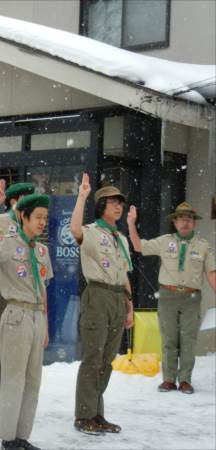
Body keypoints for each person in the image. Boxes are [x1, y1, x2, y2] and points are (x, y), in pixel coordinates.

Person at [0, 194, 53, 450]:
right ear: (24, 217)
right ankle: (8, 439)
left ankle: (22, 436)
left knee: (33, 379)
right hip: (16, 315)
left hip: (37, 315)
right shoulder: (8, 244)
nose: (43, 222)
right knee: (14, 378)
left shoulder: (42, 250)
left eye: (45, 217)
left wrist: (46, 325)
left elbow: (43, 288)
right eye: (38, 217)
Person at [128, 202, 216, 394]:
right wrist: (131, 223)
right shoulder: (164, 241)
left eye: (189, 219)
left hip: (191, 298)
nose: (185, 222)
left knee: (188, 340)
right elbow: (138, 246)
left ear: (194, 223)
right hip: (167, 295)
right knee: (169, 339)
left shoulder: (203, 246)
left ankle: (185, 380)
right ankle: (168, 379)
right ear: (175, 222)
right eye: (181, 219)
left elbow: (211, 273)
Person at [70, 174, 134, 435]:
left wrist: (129, 305)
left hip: (118, 297)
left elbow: (124, 273)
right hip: (97, 296)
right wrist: (82, 196)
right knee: (93, 358)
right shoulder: (92, 232)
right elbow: (74, 230)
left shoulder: (121, 238)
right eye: (112, 203)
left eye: (120, 203)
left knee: (107, 360)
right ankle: (83, 415)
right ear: (101, 207)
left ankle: (97, 412)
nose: (118, 207)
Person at [0, 181, 35, 409]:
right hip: (6, 289)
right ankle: (1, 392)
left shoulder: (32, 224)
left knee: (25, 343)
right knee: (2, 342)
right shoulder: (1, 222)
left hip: (28, 289)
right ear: (15, 201)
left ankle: (19, 389)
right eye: (27, 199)